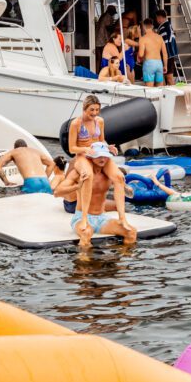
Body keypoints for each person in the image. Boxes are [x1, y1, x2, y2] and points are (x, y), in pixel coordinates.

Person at [55, 142, 136, 248]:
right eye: (98, 156)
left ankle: (122, 263)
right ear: (91, 156)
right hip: (81, 218)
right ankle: (83, 263)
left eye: (105, 156)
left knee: (131, 232)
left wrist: (124, 185)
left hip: (101, 218)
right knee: (86, 233)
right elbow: (57, 192)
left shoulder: (109, 175)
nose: (102, 159)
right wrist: (77, 186)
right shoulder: (80, 173)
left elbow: (130, 195)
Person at [67, 96, 129, 235]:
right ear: (84, 108)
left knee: (118, 177)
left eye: (97, 110)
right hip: (83, 156)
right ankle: (83, 218)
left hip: (99, 154)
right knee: (88, 176)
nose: (94, 113)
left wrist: (108, 147)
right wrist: (85, 149)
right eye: (91, 110)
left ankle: (122, 218)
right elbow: (72, 148)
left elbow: (101, 141)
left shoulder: (100, 121)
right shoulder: (76, 124)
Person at [137, 18, 167, 87]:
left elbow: (141, 54)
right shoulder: (160, 37)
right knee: (160, 88)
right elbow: (165, 53)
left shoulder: (143, 39)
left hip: (149, 64)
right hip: (159, 63)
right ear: (152, 26)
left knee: (150, 89)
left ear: (143, 27)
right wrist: (165, 65)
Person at [155, 9, 178, 86]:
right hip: (171, 54)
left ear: (160, 17)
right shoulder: (169, 25)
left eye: (157, 18)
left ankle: (174, 95)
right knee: (168, 77)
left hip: (168, 55)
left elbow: (163, 43)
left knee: (169, 77)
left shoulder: (163, 28)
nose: (157, 20)